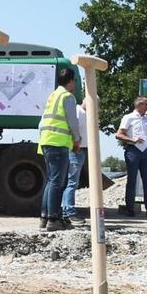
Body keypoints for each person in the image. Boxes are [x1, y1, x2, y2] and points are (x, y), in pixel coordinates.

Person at [36, 67, 80, 232]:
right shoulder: (68, 97)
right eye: (74, 81)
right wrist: (77, 139)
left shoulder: (53, 96)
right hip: (58, 142)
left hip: (47, 141)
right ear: (71, 81)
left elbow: (42, 122)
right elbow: (72, 121)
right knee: (57, 182)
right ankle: (54, 219)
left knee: (50, 181)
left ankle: (45, 217)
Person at [115, 97, 147, 218]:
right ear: (139, 105)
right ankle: (130, 208)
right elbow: (119, 134)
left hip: (144, 151)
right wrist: (132, 139)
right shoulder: (128, 117)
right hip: (132, 150)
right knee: (132, 181)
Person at [61, 97, 90, 225]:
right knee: (72, 182)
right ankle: (69, 211)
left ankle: (67, 210)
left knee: (72, 182)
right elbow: (71, 128)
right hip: (76, 149)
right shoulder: (77, 111)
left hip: (80, 149)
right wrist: (74, 144)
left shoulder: (84, 113)